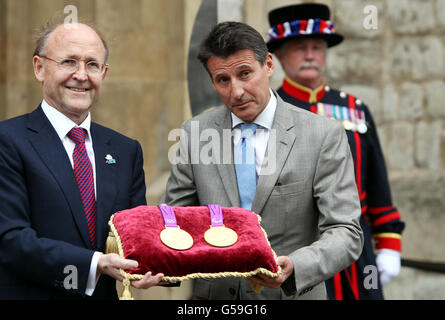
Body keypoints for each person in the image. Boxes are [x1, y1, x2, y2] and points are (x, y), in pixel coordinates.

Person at [162, 21, 363, 300]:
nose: (236, 92)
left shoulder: (322, 135)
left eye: (245, 74)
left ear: (268, 65)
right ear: (212, 81)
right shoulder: (195, 133)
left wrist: (296, 266)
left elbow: (345, 231)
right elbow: (173, 223)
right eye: (223, 80)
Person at [0, 20, 164, 300]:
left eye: (92, 64)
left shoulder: (126, 150)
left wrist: (158, 264)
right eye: (68, 62)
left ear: (104, 72)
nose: (81, 75)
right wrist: (95, 263)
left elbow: (136, 239)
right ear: (39, 67)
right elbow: (9, 239)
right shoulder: (8, 140)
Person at [267, 3, 405, 300]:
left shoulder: (354, 109)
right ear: (278, 55)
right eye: (299, 47)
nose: (309, 55)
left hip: (356, 248)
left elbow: (376, 181)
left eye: (317, 47)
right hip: (296, 254)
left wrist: (389, 243)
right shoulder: (269, 110)